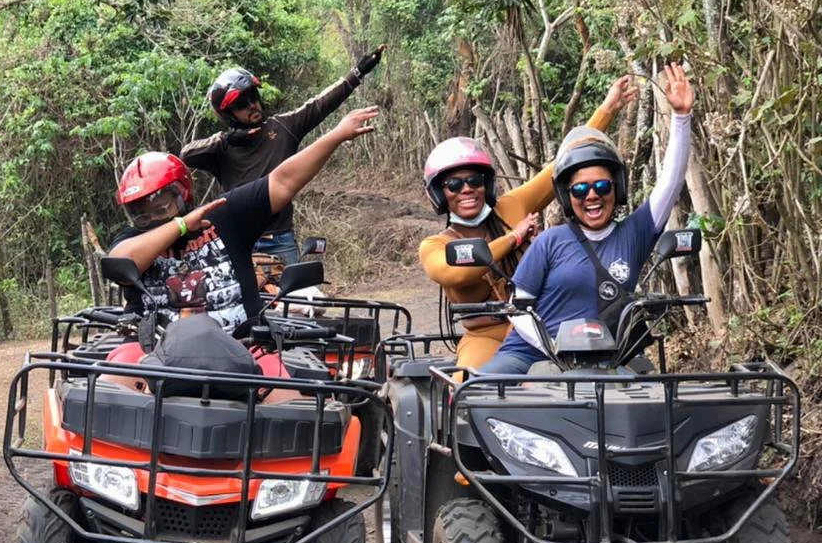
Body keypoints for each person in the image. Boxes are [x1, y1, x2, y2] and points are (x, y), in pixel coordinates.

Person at [480, 63, 695, 374]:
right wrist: (554, 349)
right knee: (479, 394)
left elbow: (671, 182)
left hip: (608, 360)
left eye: (602, 186)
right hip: (532, 354)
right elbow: (519, 307)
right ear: (568, 197)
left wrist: (681, 118)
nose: (591, 196)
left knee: (657, 407)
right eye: (580, 189)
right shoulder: (550, 242)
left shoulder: (633, 234)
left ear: (616, 189)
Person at [419, 76, 638, 370]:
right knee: (470, 388)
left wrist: (607, 109)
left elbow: (560, 165)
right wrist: (514, 238)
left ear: (486, 184)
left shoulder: (510, 208)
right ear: (440, 194)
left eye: (474, 180)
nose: (466, 190)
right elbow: (454, 274)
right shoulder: (436, 245)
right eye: (454, 185)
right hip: (487, 336)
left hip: (545, 329)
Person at [109, 106, 380, 338]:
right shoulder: (133, 241)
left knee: (296, 395)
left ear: (182, 194)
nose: (153, 218)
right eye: (143, 214)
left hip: (243, 348)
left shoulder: (222, 215)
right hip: (154, 353)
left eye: (161, 207)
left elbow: (282, 181)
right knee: (104, 385)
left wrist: (336, 135)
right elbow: (120, 262)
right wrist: (179, 226)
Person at [180, 48, 386, 265]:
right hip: (240, 239)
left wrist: (358, 72)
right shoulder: (222, 148)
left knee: (295, 297)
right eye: (241, 104)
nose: (252, 105)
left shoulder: (281, 127)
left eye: (253, 97)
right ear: (228, 115)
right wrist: (227, 139)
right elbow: (186, 154)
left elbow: (318, 105)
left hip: (280, 239)